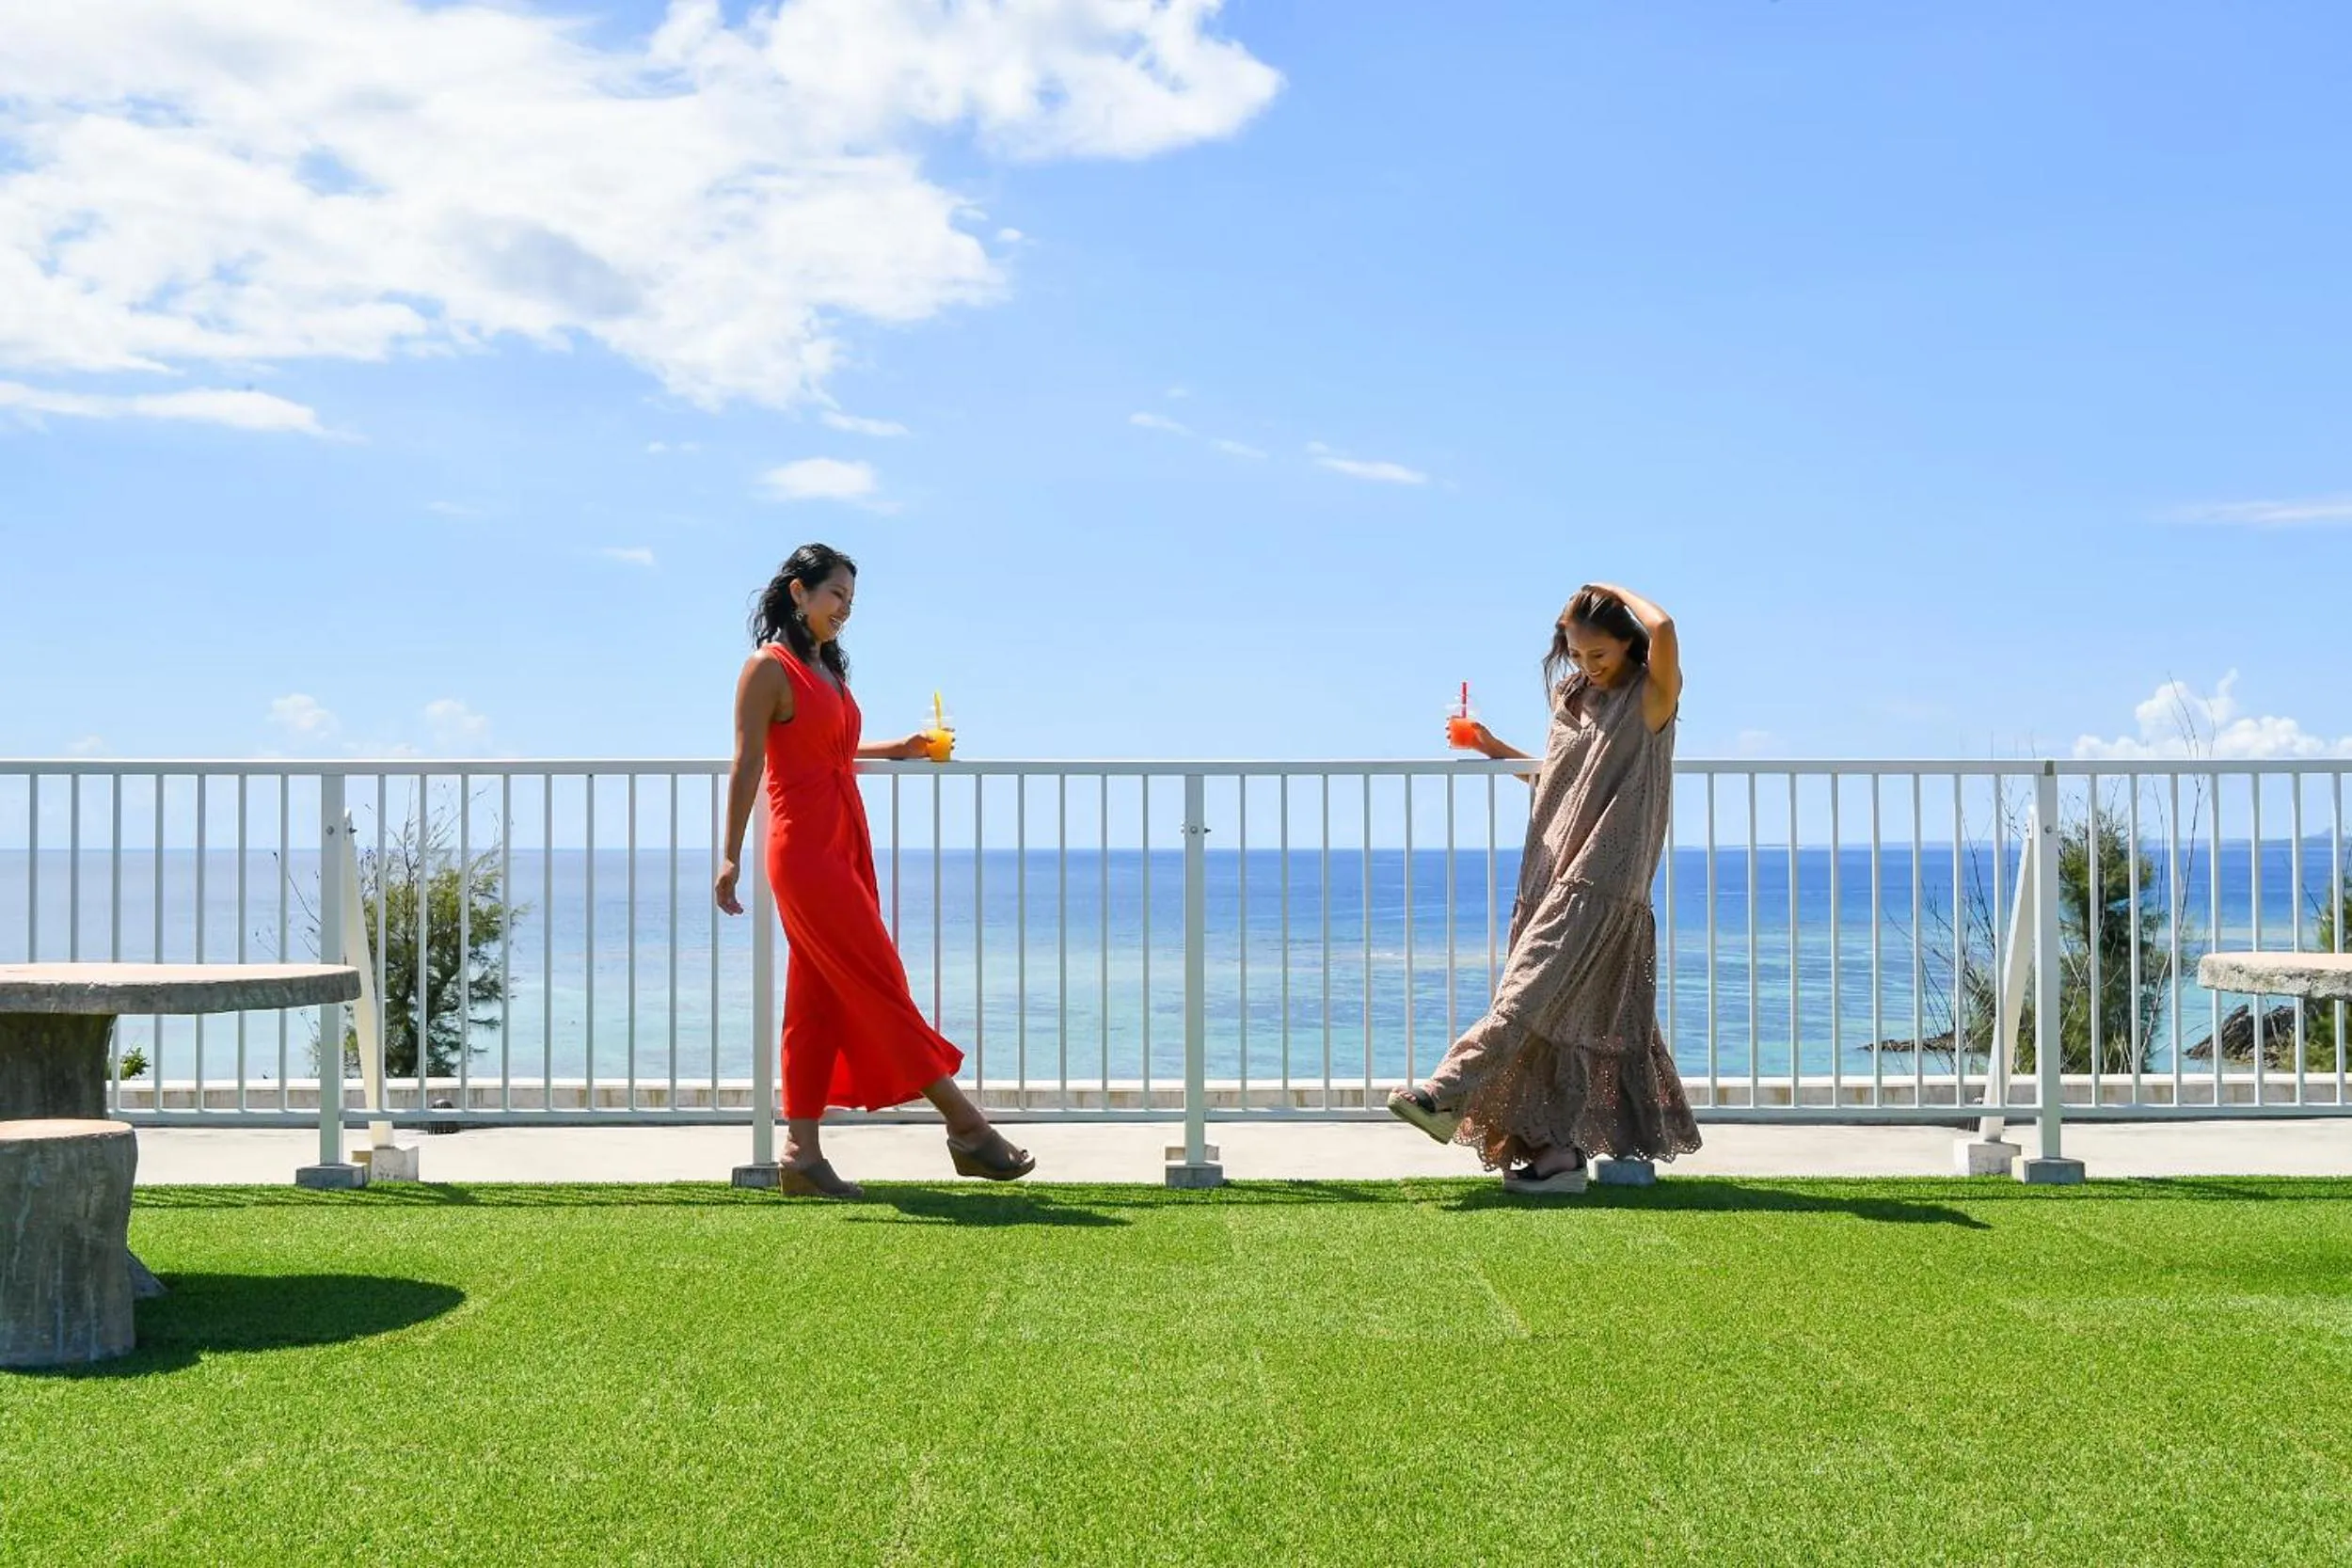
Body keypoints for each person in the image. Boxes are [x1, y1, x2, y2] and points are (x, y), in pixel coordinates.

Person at [715, 544, 1035, 1198]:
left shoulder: (824, 668)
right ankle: (966, 1126)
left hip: (845, 841)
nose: (845, 610)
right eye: (836, 595)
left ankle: (802, 1154)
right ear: (799, 592)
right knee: (878, 982)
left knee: (815, 1000)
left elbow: (828, 746)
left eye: (851, 601)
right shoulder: (766, 668)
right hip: (804, 851)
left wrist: (900, 748)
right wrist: (729, 854)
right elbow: (749, 761)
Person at [1389, 582, 1701, 1194]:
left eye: (1598, 653)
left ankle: (1444, 1092)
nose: (1587, 665)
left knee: (1525, 996)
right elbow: (1560, 781)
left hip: (1603, 876)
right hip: (1549, 870)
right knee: (1561, 1016)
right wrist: (1489, 747)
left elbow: (1664, 629)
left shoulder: (1652, 696)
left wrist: (1607, 588)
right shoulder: (1572, 695)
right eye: (1576, 653)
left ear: (1628, 644)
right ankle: (1557, 1154)